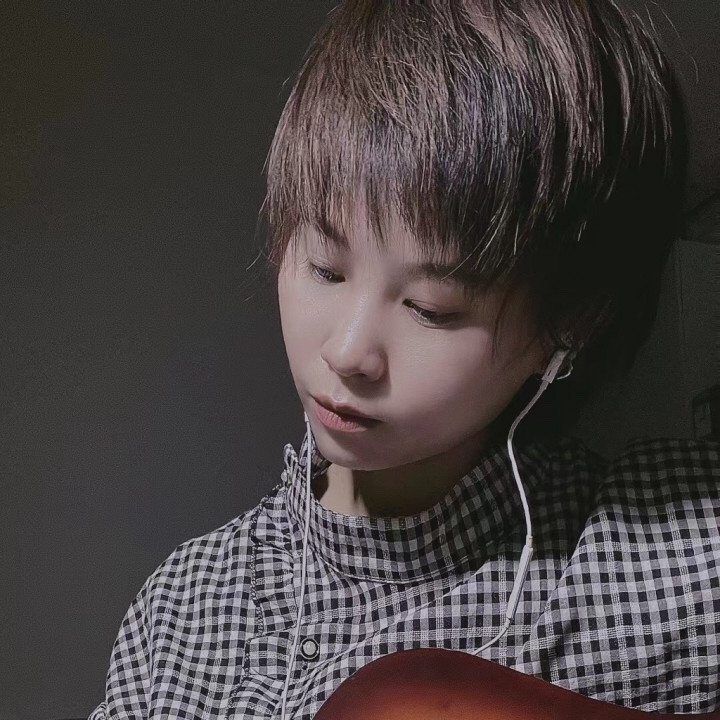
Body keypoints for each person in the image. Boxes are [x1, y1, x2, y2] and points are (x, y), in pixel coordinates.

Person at [89, 1, 719, 718]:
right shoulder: (178, 612)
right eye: (325, 267)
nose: (347, 352)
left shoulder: (664, 553)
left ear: (568, 324)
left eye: (431, 307)